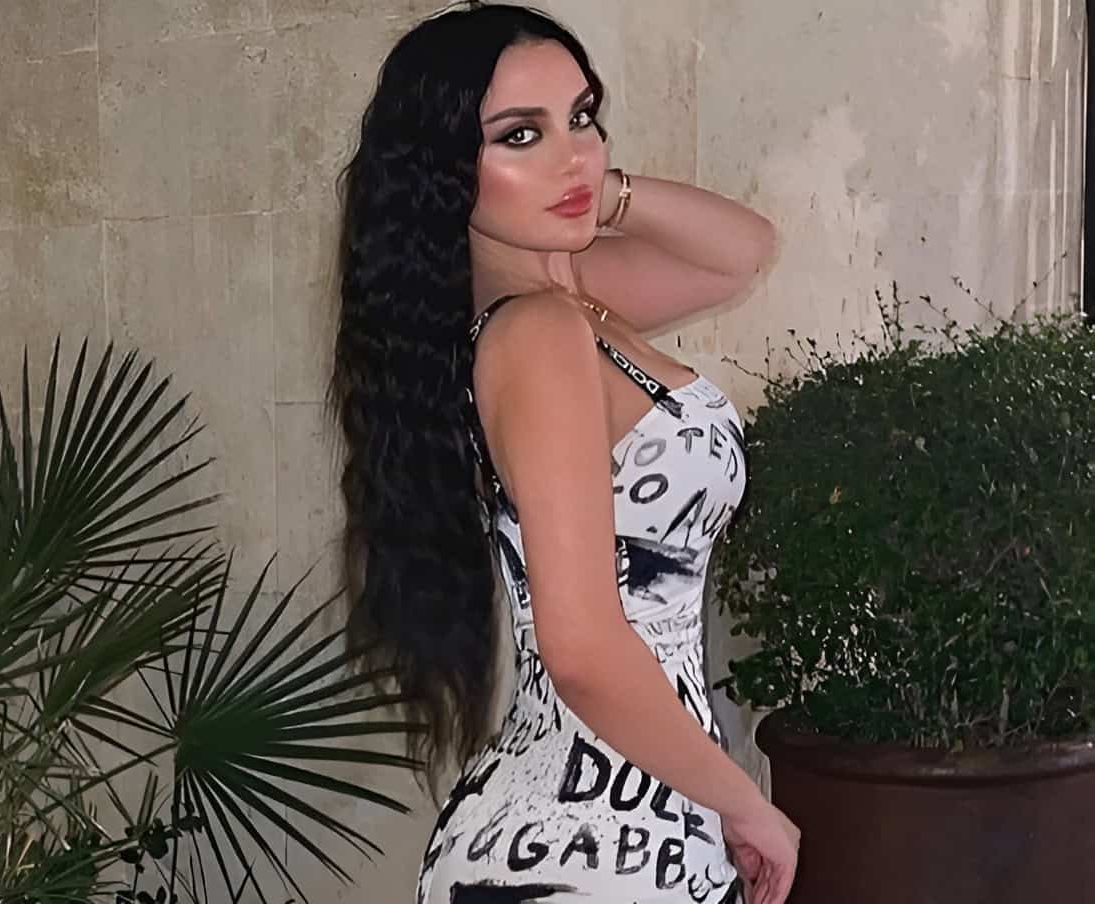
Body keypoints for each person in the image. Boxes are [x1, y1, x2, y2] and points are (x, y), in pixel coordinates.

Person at [327, 4, 799, 902]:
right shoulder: (536, 333)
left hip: (627, 814)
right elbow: (578, 644)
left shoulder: (570, 298)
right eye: (519, 135)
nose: (572, 155)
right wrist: (747, 805)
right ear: (446, 171)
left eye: (581, 117)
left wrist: (596, 191)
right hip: (591, 843)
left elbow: (743, 250)